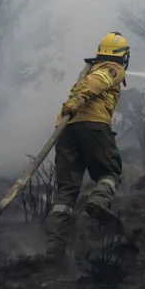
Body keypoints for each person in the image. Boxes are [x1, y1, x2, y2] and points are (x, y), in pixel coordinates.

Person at [45, 31, 130, 262]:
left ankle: (55, 248)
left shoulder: (90, 70)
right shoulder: (112, 68)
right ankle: (99, 201)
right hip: (93, 125)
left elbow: (88, 84)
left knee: (66, 189)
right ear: (122, 55)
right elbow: (96, 82)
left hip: (66, 128)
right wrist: (75, 102)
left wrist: (72, 105)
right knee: (109, 171)